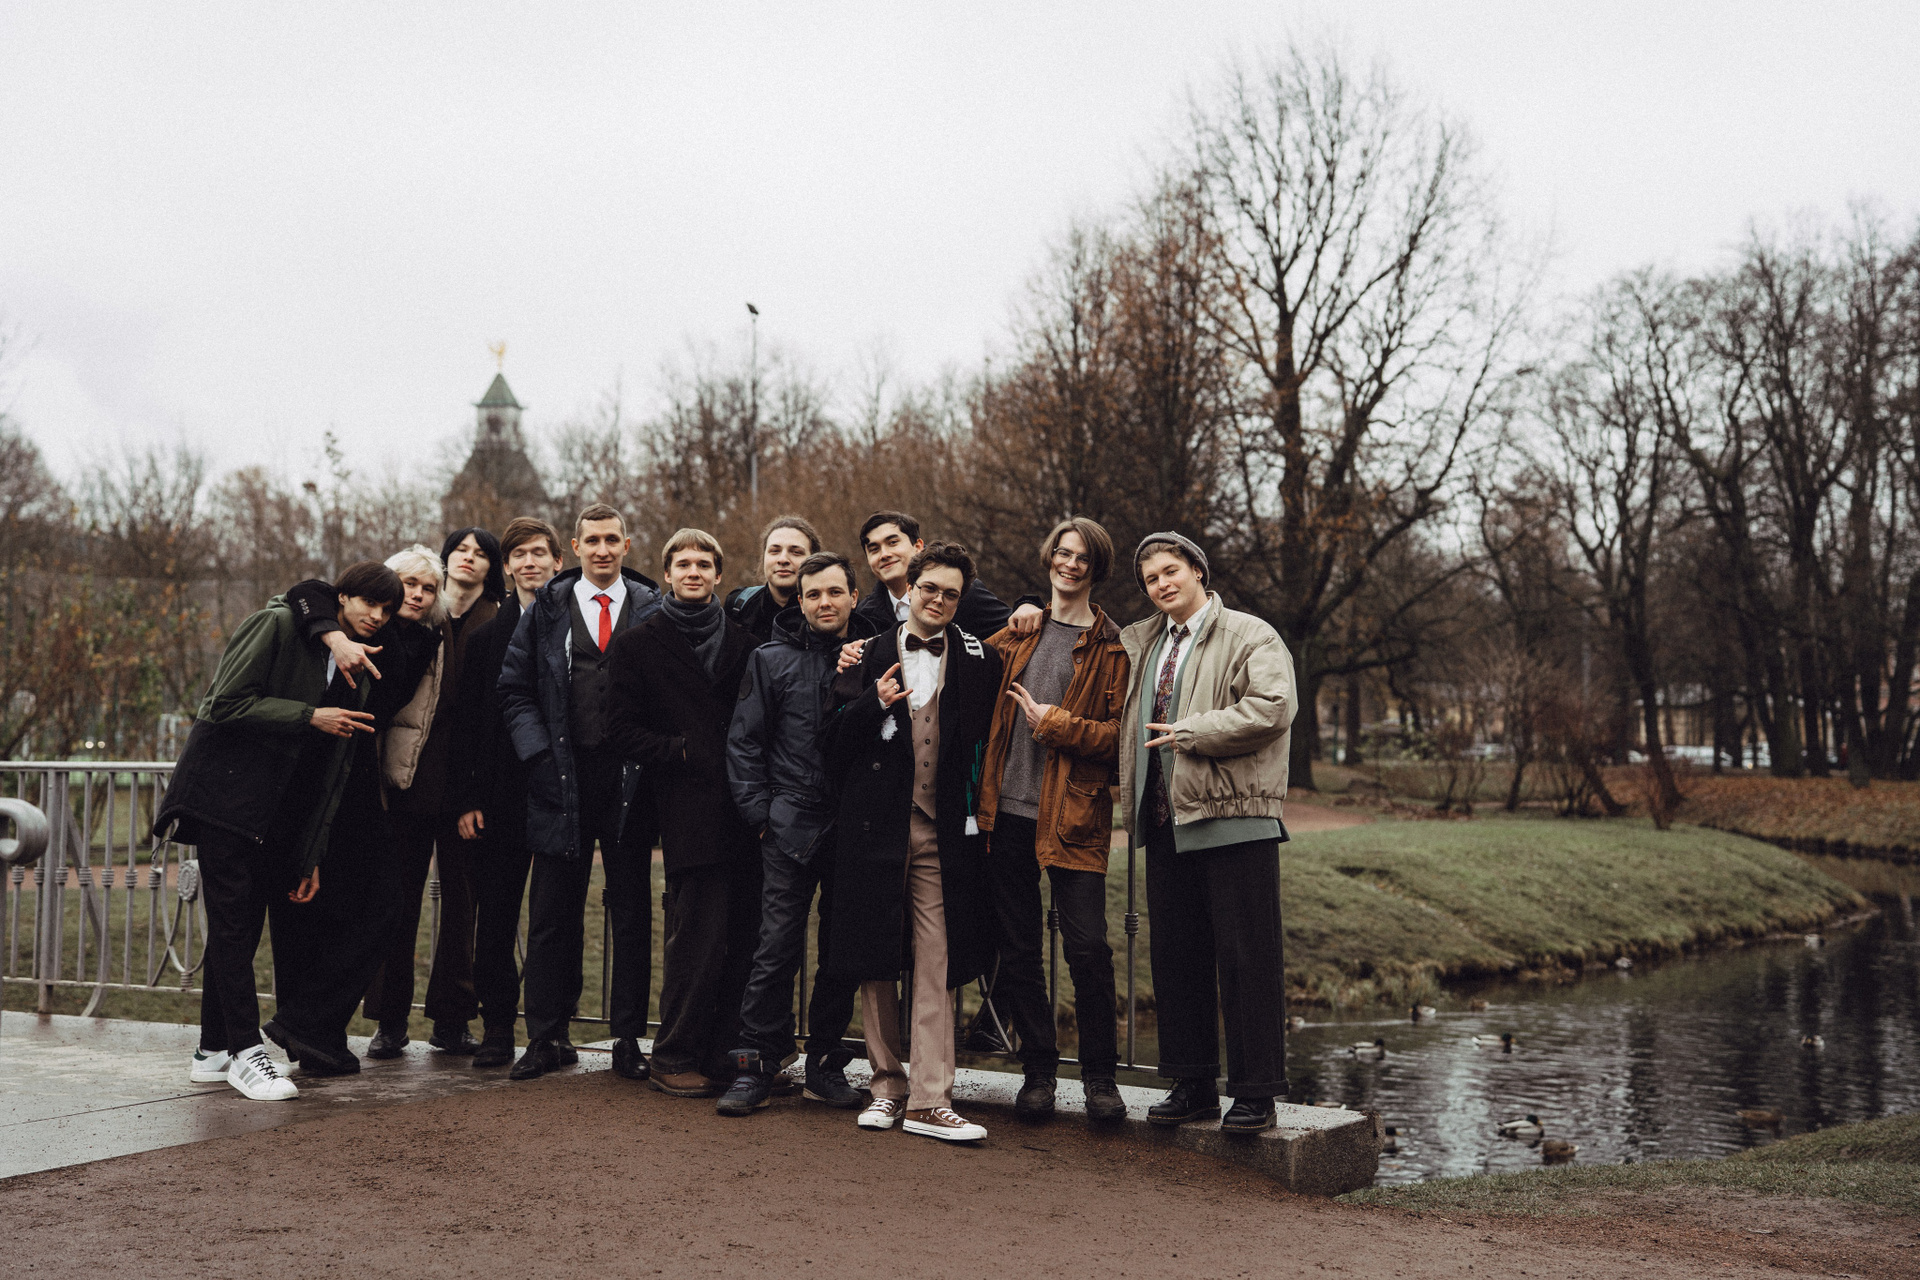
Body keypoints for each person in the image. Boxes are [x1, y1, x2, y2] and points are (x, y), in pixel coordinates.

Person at [154, 562, 402, 1101]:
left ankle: (212, 1052)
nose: (378, 616)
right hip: (225, 802)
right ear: (341, 598)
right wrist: (309, 714)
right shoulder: (278, 624)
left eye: (387, 610)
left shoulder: (357, 667)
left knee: (240, 930)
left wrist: (310, 855)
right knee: (233, 929)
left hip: (273, 818)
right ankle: (247, 1054)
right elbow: (223, 703)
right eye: (369, 603)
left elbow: (329, 777)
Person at [824, 541, 1003, 1143]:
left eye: (951, 594)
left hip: (941, 830)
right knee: (876, 955)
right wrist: (869, 703)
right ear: (912, 587)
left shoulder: (980, 659)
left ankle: (931, 1099)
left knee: (937, 957)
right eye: (930, 588)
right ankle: (886, 1086)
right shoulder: (862, 652)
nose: (939, 601)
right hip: (874, 826)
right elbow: (830, 747)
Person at [1118, 532, 1296, 1134]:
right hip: (1166, 821)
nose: (1161, 584)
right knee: (1177, 958)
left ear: (1197, 570)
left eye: (1171, 571)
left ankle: (1255, 1093)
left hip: (1235, 818)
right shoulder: (1146, 644)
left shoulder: (1250, 634)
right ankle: (1192, 1085)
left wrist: (1193, 732)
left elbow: (1273, 707)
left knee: (1248, 960)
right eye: (1150, 579)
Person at [498, 503, 662, 1081]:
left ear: (627, 545)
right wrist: (538, 755)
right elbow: (514, 689)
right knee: (551, 913)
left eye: (612, 539)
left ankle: (627, 1040)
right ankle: (546, 1036)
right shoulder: (547, 608)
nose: (602, 549)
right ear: (575, 546)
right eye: (592, 540)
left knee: (631, 913)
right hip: (559, 780)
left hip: (629, 784)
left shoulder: (652, 608)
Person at [975, 517, 1131, 1123]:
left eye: (1082, 558)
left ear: (1096, 569)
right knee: (1018, 950)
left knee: (1088, 949)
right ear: (1049, 559)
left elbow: (1119, 739)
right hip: (1005, 816)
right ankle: (1037, 1071)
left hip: (1075, 817)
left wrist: (1055, 724)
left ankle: (1100, 1079)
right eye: (1063, 553)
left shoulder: (1112, 647)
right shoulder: (1014, 635)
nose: (1070, 564)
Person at [269, 550, 445, 1076]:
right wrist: (334, 636)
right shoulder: (343, 621)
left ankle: (309, 1024)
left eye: (426, 588)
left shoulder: (420, 639)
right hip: (316, 771)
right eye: (404, 585)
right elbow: (308, 590)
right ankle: (311, 1031)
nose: (414, 596)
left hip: (357, 775)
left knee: (382, 906)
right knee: (315, 909)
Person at [715, 550, 877, 1116]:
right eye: (813, 595)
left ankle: (825, 1064)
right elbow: (744, 742)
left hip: (853, 826)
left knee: (840, 951)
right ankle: (756, 1065)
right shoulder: (770, 658)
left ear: (853, 595)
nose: (824, 603)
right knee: (776, 945)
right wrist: (760, 815)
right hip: (787, 823)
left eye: (834, 592)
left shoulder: (880, 653)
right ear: (800, 601)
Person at [607, 529, 762, 1096]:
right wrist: (680, 751)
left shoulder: (746, 644)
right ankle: (673, 1056)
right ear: (667, 574)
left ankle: (722, 1055)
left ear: (719, 574)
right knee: (695, 936)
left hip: (744, 806)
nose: (693, 571)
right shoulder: (637, 644)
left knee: (741, 938)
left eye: (704, 563)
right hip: (684, 808)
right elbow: (619, 729)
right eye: (683, 563)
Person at [454, 516, 563, 1067]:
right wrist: (467, 799)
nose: (529, 562)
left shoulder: (576, 626)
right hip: (497, 799)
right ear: (507, 566)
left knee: (555, 920)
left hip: (559, 796)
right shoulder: (484, 640)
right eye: (518, 554)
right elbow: (468, 723)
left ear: (558, 562)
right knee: (494, 918)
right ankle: (497, 1026)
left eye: (539, 553)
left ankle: (553, 1030)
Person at [850, 510, 1044, 640]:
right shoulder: (865, 616)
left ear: (918, 546)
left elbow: (1014, 625)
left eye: (893, 543)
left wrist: (1028, 604)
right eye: (874, 549)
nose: (884, 554)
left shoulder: (961, 593)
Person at [724, 514, 820, 643]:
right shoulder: (739, 605)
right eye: (775, 551)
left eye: (796, 552)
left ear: (814, 560)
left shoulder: (826, 609)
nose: (783, 559)